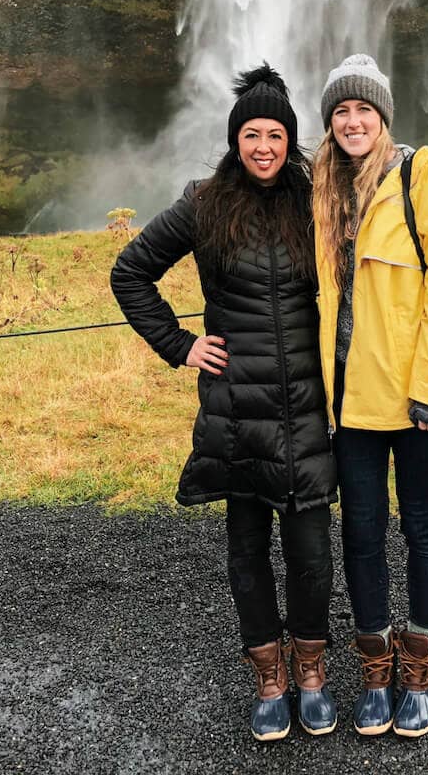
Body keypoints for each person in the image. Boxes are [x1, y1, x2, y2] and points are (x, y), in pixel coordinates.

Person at [110, 65, 338, 742]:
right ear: (235, 139)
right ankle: (268, 677)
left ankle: (312, 673)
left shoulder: (315, 200)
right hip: (237, 410)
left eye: (275, 134)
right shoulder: (205, 202)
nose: (263, 146)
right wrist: (179, 345)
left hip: (304, 406)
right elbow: (130, 271)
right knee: (246, 549)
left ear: (290, 141)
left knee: (311, 551)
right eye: (251, 134)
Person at [311, 54, 428, 740]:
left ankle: (420, 664)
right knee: (362, 533)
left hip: (417, 399)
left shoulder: (422, 178)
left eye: (363, 110)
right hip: (350, 403)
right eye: (341, 112)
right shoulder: (321, 190)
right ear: (330, 124)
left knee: (424, 527)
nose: (352, 121)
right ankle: (375, 667)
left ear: (383, 118)